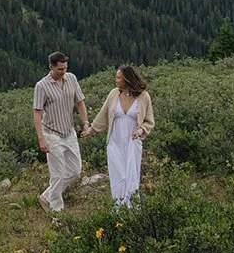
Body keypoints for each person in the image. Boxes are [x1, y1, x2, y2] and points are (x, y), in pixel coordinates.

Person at [85, 65, 155, 208]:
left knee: (131, 177)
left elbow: (149, 121)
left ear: (127, 79)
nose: (116, 80)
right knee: (118, 177)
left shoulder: (143, 96)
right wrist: (91, 130)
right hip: (114, 142)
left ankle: (133, 210)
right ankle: (118, 210)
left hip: (132, 142)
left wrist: (141, 130)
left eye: (118, 78)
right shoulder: (113, 94)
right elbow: (103, 115)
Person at [33, 51, 88, 213]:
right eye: (60, 69)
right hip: (51, 134)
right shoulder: (41, 86)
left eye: (65, 68)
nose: (63, 72)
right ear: (51, 67)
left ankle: (47, 195)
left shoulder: (71, 79)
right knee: (57, 175)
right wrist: (41, 138)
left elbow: (80, 102)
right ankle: (57, 213)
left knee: (75, 171)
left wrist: (85, 123)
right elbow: (37, 113)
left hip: (69, 132)